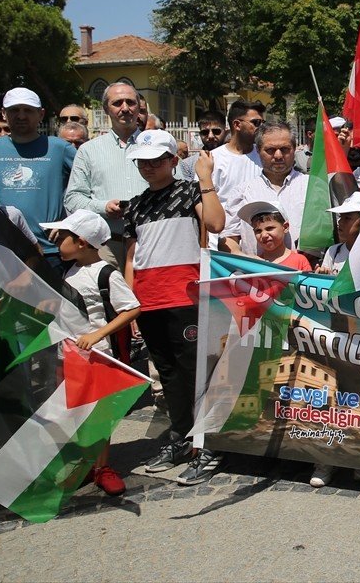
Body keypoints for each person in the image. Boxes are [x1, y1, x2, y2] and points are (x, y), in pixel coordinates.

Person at [123, 130, 224, 486]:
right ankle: (182, 438)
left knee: (197, 375)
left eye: (157, 160)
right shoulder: (133, 205)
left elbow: (215, 224)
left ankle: (207, 445)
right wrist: (130, 302)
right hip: (148, 302)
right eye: (143, 161)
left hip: (186, 297)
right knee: (169, 376)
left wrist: (205, 178)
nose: (149, 166)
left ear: (172, 160)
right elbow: (132, 258)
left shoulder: (188, 191)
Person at [38, 209, 141, 497]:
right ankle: (85, 465)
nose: (55, 241)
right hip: (69, 355)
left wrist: (97, 334)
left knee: (99, 415)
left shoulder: (105, 272)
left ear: (81, 242)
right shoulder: (70, 271)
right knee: (75, 413)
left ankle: (103, 468)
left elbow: (131, 308)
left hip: (97, 357)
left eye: (62, 237)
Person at [65, 82, 151, 268]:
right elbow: (72, 198)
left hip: (151, 243)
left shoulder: (156, 147)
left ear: (139, 107)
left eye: (130, 102)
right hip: (107, 246)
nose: (125, 108)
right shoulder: (89, 151)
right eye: (117, 103)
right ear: (106, 108)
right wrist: (103, 207)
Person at [0, 87, 76, 267]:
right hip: (2, 250)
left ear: (41, 114)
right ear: (4, 114)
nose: (21, 116)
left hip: (50, 252)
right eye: (14, 110)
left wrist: (70, 222)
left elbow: (88, 188)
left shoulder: (60, 148)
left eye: (28, 110)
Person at [223, 119, 307, 256]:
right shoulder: (243, 192)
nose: (278, 155)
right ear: (258, 150)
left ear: (294, 148)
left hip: (303, 274)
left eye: (285, 149)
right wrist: (248, 261)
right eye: (271, 150)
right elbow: (229, 239)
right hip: (257, 274)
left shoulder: (311, 187)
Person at [209, 100, 265, 239]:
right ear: (237, 125)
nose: (261, 127)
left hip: (259, 241)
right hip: (221, 243)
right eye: (256, 122)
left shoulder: (264, 157)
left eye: (263, 123)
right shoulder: (213, 159)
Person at [236, 200, 313, 271]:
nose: (264, 235)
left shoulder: (300, 262)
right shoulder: (254, 265)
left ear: (285, 227)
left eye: (269, 228)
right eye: (258, 231)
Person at [317, 192, 360, 275]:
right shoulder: (332, 252)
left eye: (347, 218)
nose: (340, 222)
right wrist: (322, 276)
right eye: (341, 216)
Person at [179, 110, 227, 182]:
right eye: (205, 132)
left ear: (225, 132)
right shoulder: (187, 165)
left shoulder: (236, 160)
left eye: (216, 131)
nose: (210, 136)